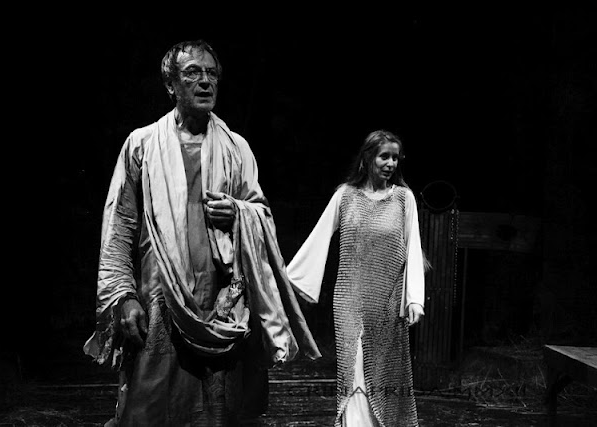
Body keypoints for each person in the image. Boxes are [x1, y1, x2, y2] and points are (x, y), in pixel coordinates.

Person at [83, 39, 320, 426]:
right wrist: (123, 296)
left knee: (219, 411)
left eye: (211, 74)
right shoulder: (142, 144)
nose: (205, 81)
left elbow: (261, 215)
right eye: (193, 73)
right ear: (171, 84)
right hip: (159, 300)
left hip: (223, 305)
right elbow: (119, 227)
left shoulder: (237, 148)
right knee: (148, 410)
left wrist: (239, 213)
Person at [287, 129, 426, 426]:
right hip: (349, 299)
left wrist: (414, 299)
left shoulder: (404, 199)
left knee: (385, 372)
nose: (390, 163)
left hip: (387, 302)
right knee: (354, 368)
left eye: (395, 157)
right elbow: (319, 236)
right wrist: (292, 278)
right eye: (384, 156)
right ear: (368, 157)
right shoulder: (345, 196)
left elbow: (413, 248)